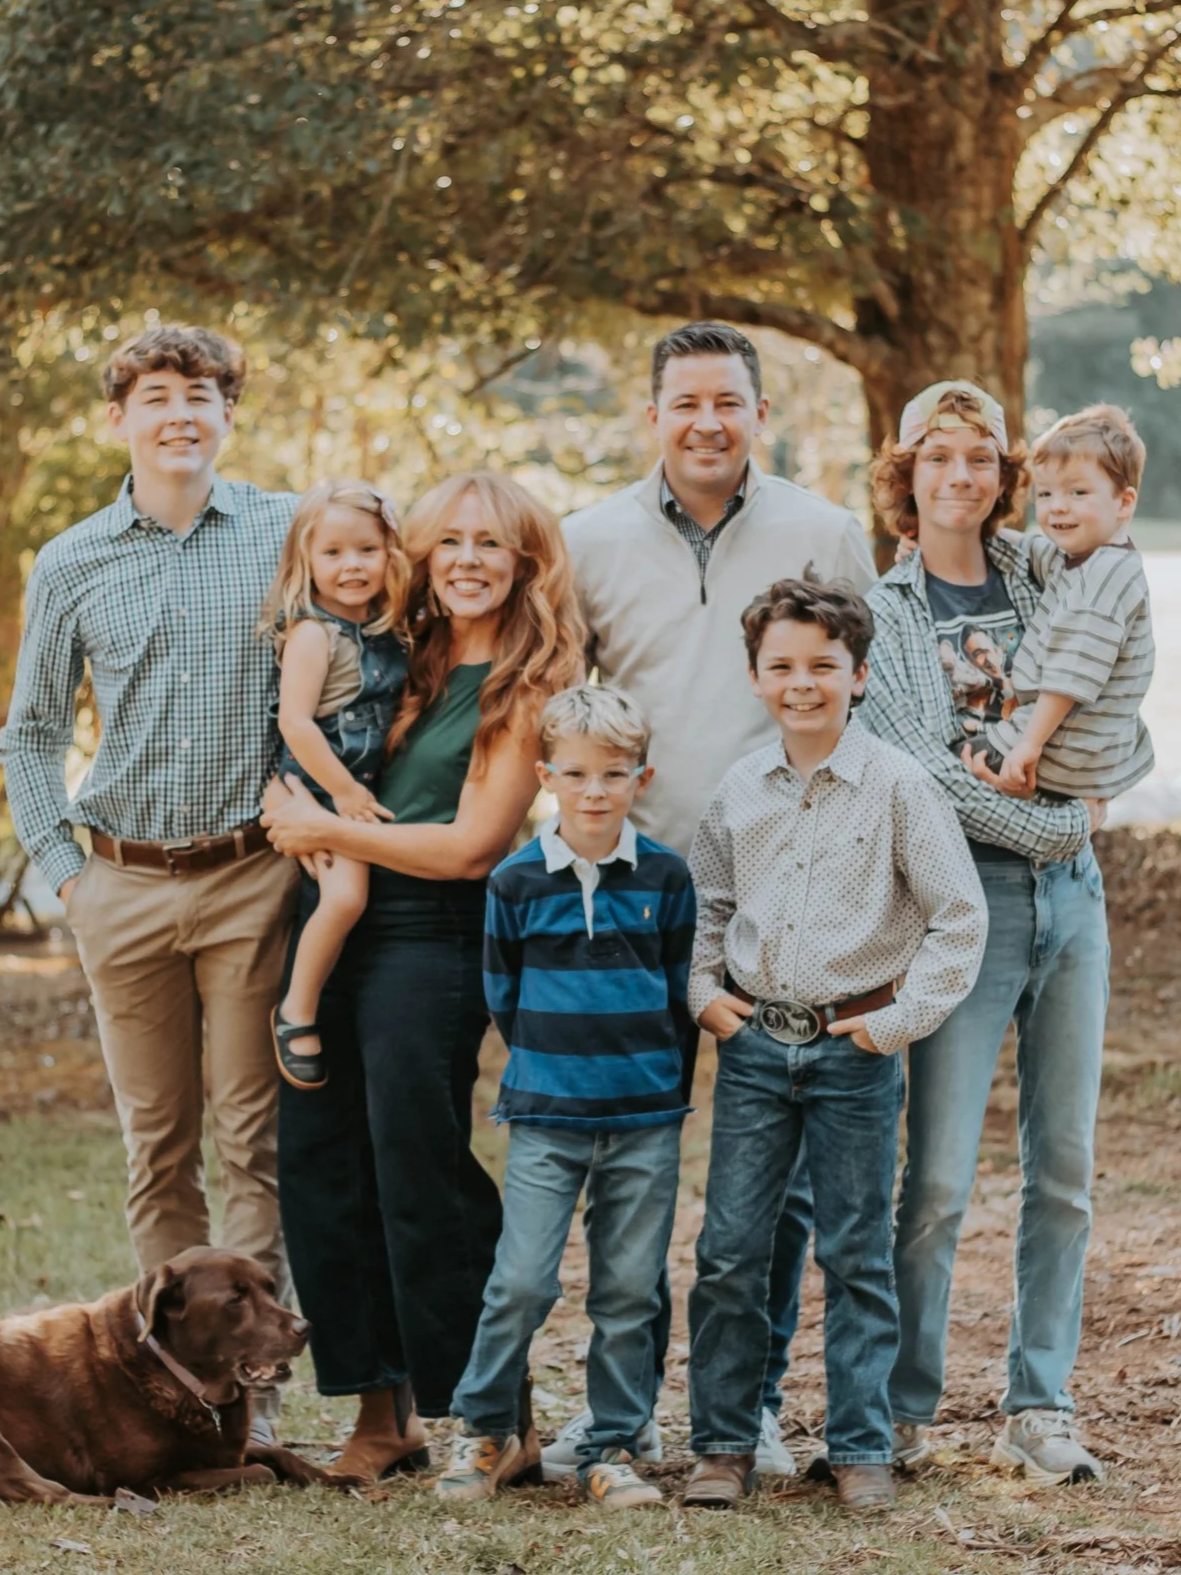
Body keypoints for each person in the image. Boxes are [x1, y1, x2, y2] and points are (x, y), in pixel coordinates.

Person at [548, 320, 876, 1479]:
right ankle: (618, 1419)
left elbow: (862, 707)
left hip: (776, 912)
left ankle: (751, 1410)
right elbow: (557, 716)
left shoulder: (823, 531)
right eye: (684, 402)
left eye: (728, 402)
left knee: (769, 1190)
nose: (706, 423)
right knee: (627, 1165)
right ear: (651, 417)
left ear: (758, 414)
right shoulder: (583, 539)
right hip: (631, 904)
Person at [0, 326, 299, 1437]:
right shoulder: (73, 558)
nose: (181, 413)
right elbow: (28, 735)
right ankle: (179, 1395)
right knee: (158, 1140)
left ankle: (253, 1396)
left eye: (203, 395)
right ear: (118, 419)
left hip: (248, 877)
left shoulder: (285, 530)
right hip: (116, 880)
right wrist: (67, 877)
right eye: (158, 396)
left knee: (248, 1133)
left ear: (228, 415)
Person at [261, 470, 584, 1483]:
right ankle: (378, 1412)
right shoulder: (401, 656)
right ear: (425, 557)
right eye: (450, 543)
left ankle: (495, 1412)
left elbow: (473, 848)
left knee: (420, 1166)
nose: (469, 561)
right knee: (320, 1162)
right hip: (330, 920)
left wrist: (315, 823)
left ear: (524, 559)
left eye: (491, 544)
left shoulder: (528, 684)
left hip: (430, 936)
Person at [683, 576, 987, 1512]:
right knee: (731, 1249)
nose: (802, 682)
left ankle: (859, 1446)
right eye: (782, 666)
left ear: (857, 676)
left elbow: (957, 917)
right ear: (755, 676)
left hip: (855, 1049)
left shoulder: (899, 783)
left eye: (823, 665)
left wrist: (895, 1023)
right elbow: (711, 905)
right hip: (754, 1048)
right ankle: (724, 1443)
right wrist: (703, 993)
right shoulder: (740, 787)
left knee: (856, 1249)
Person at [860, 380, 1111, 1485]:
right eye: (936, 457)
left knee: (1063, 1169)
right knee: (939, 1181)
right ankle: (904, 1407)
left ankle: (1038, 1401)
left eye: (979, 458)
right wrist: (1060, 820)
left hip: (1075, 905)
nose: (959, 477)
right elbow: (924, 773)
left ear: (1004, 474)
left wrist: (1087, 807)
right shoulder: (883, 609)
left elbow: (1107, 692)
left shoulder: (1046, 569)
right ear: (904, 475)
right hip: (965, 906)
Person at [437, 685, 696, 1511]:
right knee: (520, 1280)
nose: (594, 790)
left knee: (628, 1288)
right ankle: (485, 1429)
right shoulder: (515, 881)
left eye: (613, 773)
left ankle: (611, 1442)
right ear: (546, 775)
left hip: (645, 1120)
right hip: (546, 1117)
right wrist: (559, 1065)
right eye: (577, 773)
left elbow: (681, 993)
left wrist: (648, 1080)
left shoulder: (665, 875)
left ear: (640, 778)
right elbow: (503, 995)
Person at [258, 479, 410, 1088]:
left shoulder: (388, 630)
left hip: (362, 788)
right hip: (322, 788)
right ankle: (295, 1010)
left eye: (367, 550)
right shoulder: (313, 635)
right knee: (345, 898)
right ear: (307, 561)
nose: (352, 566)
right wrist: (342, 796)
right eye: (333, 553)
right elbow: (295, 722)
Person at [976, 404, 1154, 799]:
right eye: (1045, 493)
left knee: (960, 762)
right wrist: (970, 530)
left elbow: (1069, 677)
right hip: (1084, 744)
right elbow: (1029, 548)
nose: (1057, 505)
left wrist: (1027, 745)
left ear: (1124, 503)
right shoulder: (1081, 555)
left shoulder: (1105, 577)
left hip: (1066, 744)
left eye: (1078, 491)